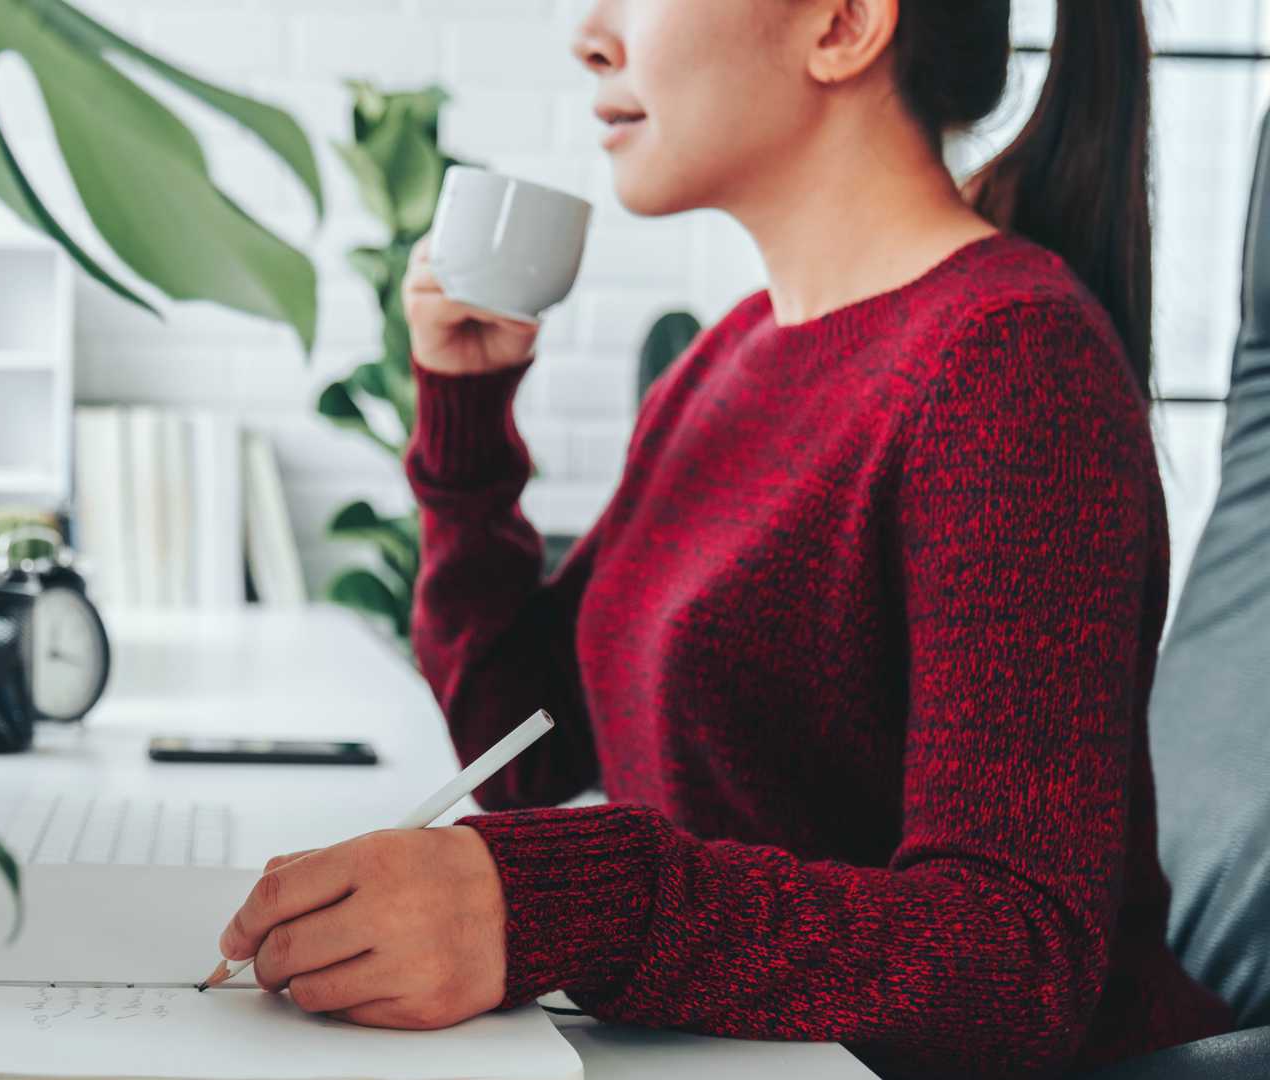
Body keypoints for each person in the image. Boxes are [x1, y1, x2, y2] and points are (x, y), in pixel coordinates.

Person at [213, 0, 1239, 1075]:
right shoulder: (727, 360)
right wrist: (465, 429)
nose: (590, 34)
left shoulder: (1012, 365)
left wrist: (574, 907)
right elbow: (519, 752)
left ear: (842, 25)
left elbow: (1015, 959)